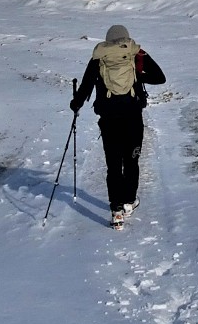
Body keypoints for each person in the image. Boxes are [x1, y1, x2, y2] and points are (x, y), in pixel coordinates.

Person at [70, 24, 166, 229]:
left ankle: (116, 211)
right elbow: (160, 78)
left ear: (107, 40)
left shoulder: (99, 57)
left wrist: (75, 104)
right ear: (126, 38)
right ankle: (129, 202)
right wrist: (139, 76)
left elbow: (86, 85)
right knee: (131, 160)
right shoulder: (136, 53)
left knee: (113, 164)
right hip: (132, 116)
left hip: (109, 119)